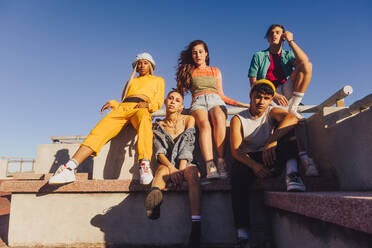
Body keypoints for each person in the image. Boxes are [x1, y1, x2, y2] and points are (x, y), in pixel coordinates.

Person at [49, 52, 165, 185]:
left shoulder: (158, 80)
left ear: (151, 65)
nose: (142, 65)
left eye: (145, 63)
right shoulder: (131, 81)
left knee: (145, 123)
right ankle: (69, 168)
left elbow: (159, 101)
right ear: (136, 66)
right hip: (123, 108)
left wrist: (149, 105)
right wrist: (113, 103)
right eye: (139, 63)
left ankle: (144, 165)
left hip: (142, 107)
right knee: (99, 131)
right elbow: (124, 100)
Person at [230, 79, 306, 247]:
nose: (261, 102)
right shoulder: (238, 118)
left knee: (288, 131)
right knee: (236, 175)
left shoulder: (271, 111)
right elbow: (235, 150)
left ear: (271, 99)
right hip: (251, 159)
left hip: (270, 153)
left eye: (266, 98)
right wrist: (254, 166)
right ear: (251, 96)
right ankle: (242, 235)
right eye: (258, 97)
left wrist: (272, 141)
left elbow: (292, 118)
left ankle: (292, 174)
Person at [248, 24, 318, 176]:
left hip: (287, 91)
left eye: (278, 33)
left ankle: (293, 107)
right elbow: (253, 83)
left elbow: (305, 62)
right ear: (267, 37)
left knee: (307, 65)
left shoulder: (287, 55)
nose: (275, 35)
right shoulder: (259, 55)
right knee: (288, 121)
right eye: (271, 33)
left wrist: (291, 42)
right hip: (267, 93)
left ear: (283, 36)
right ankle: (304, 158)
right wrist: (272, 94)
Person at [176, 40, 249, 179]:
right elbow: (180, 92)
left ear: (206, 53)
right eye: (194, 52)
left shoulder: (215, 71)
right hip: (198, 102)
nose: (198, 55)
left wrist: (242, 104)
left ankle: (221, 162)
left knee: (220, 119)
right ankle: (210, 165)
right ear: (192, 55)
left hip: (216, 100)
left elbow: (221, 95)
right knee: (204, 125)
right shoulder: (189, 71)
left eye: (200, 52)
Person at [145, 90, 201, 248]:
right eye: (170, 98)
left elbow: (188, 145)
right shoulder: (158, 126)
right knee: (161, 170)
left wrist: (180, 170)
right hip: (168, 164)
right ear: (165, 101)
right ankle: (154, 201)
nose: (172, 102)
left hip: (187, 162)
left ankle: (196, 226)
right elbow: (159, 151)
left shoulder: (189, 119)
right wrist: (171, 167)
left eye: (177, 100)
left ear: (181, 107)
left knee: (193, 174)